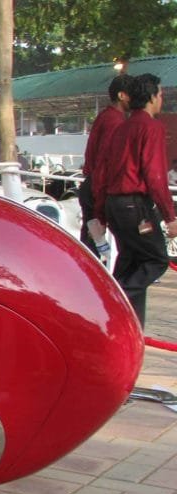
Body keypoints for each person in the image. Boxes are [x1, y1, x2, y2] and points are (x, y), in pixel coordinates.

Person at [99, 73, 177, 327]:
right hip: (136, 205)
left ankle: (128, 326)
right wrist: (170, 216)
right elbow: (155, 175)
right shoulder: (151, 127)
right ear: (152, 97)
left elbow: (102, 170)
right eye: (161, 95)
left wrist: (99, 212)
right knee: (156, 259)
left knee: (130, 260)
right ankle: (113, 301)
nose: (161, 100)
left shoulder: (122, 127)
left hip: (115, 203)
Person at [81, 74, 131, 256]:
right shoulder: (115, 121)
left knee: (91, 239)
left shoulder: (106, 116)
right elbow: (104, 160)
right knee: (95, 240)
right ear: (122, 95)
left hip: (92, 183)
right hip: (98, 186)